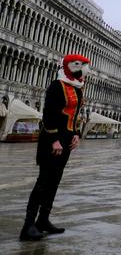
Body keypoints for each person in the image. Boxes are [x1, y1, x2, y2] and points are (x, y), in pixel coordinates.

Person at [20, 54, 89, 241]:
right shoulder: (57, 86)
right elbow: (49, 113)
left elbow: (75, 115)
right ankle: (28, 226)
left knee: (55, 181)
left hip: (67, 139)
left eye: (83, 65)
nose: (82, 68)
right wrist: (54, 139)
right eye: (78, 64)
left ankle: (43, 220)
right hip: (52, 139)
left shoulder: (78, 88)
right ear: (68, 66)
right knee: (43, 181)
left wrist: (76, 134)